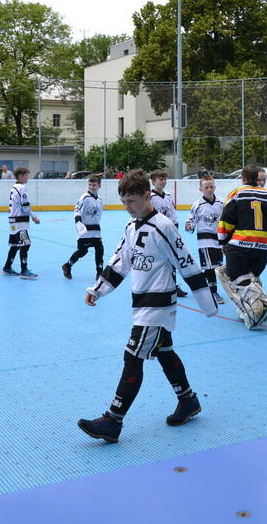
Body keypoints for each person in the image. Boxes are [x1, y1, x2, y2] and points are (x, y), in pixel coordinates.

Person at [77, 169, 218, 443]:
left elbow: (186, 262)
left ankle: (113, 420)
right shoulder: (131, 227)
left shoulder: (163, 226)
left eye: (132, 201)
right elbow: (119, 262)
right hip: (141, 304)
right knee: (164, 351)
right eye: (123, 202)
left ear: (146, 196)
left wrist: (207, 303)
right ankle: (188, 400)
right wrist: (97, 289)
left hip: (158, 306)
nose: (128, 207)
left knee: (132, 357)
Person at [216, 164, 267, 329]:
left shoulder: (237, 194)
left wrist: (223, 241)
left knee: (233, 276)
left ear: (243, 179)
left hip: (240, 245)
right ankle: (250, 307)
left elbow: (226, 219)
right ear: (257, 179)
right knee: (253, 276)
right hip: (264, 247)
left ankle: (260, 303)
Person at [185, 174, 225, 305]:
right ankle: (213, 292)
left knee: (216, 267)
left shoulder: (221, 203)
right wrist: (189, 225)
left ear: (215, 187)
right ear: (200, 189)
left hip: (219, 240)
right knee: (211, 267)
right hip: (205, 240)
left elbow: (227, 219)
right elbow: (191, 219)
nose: (209, 189)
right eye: (206, 187)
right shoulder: (197, 205)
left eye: (211, 187)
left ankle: (197, 281)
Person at [149, 170, 188, 298]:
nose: (163, 181)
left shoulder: (168, 196)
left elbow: (173, 214)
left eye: (165, 179)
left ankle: (173, 285)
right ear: (153, 182)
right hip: (157, 233)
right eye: (160, 179)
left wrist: (175, 229)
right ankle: (155, 286)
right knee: (157, 260)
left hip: (170, 231)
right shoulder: (150, 198)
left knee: (172, 260)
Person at [62, 173, 104, 280]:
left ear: (99, 186)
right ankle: (67, 265)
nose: (91, 187)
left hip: (96, 231)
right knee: (82, 251)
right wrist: (78, 222)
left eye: (94, 185)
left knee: (100, 250)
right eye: (90, 184)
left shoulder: (100, 200)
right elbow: (76, 209)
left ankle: (100, 273)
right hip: (85, 231)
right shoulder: (84, 197)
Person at [3, 167, 40, 279]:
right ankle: (24, 270)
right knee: (26, 243)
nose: (28, 178)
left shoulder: (15, 187)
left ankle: (7, 267)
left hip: (13, 221)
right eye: (26, 175)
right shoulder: (21, 188)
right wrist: (34, 216)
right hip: (19, 222)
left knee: (16, 245)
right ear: (20, 176)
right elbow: (25, 205)